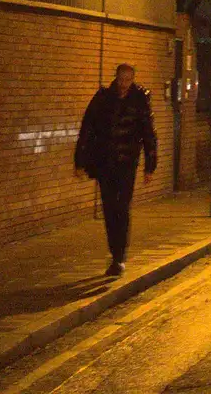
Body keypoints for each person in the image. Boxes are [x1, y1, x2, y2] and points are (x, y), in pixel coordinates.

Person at [75, 63, 157, 277]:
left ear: (133, 80)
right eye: (121, 80)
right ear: (116, 78)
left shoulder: (140, 99)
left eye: (128, 80)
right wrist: (80, 161)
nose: (123, 85)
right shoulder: (103, 98)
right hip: (106, 163)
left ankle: (120, 256)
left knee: (122, 207)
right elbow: (87, 128)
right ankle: (115, 254)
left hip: (127, 163)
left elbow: (148, 133)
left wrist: (150, 165)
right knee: (109, 209)